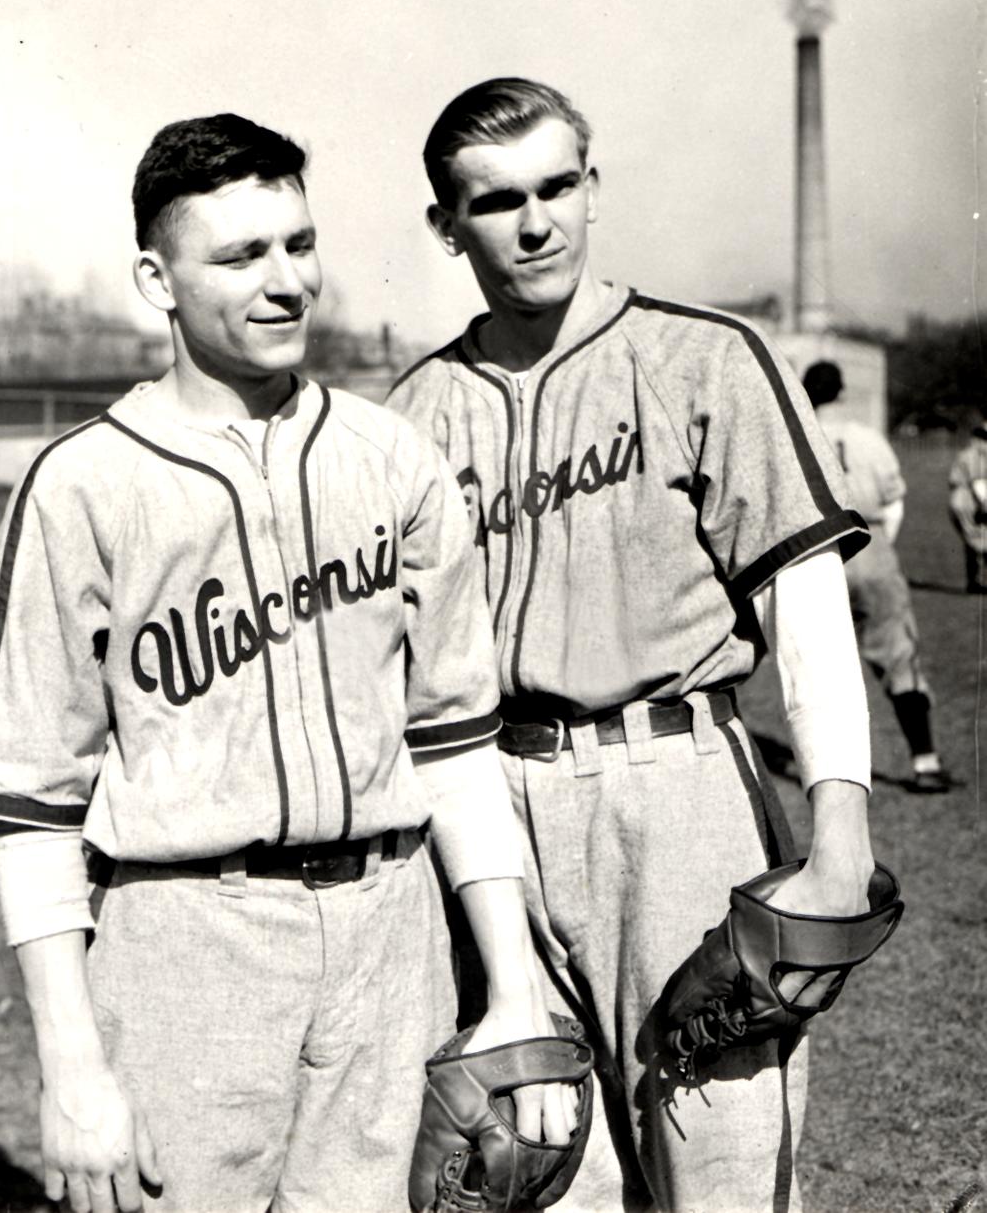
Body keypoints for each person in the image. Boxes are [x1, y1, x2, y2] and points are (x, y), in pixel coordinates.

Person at [0, 113, 572, 1213]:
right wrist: (71, 1063)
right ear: (157, 278)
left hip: (389, 926)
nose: (285, 281)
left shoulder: (393, 457)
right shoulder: (84, 482)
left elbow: (453, 740)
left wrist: (513, 988)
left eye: (298, 243)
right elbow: (30, 797)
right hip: (187, 933)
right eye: (240, 256)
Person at [388, 78, 881, 1212]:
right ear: (445, 225)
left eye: (559, 185)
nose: (536, 221)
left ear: (593, 187)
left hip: (678, 793)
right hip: (489, 804)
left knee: (714, 1162)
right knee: (536, 1173)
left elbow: (801, 603)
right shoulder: (414, 410)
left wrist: (838, 825)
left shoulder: (703, 357)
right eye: (497, 200)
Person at [802, 360, 955, 792]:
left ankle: (828, 778)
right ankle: (925, 763)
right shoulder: (869, 438)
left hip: (813, 557)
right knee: (897, 653)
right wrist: (880, 550)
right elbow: (893, 503)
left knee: (819, 669)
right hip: (868, 544)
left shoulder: (795, 435)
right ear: (843, 393)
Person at [948, 419, 987, 594]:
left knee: (973, 541)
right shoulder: (978, 455)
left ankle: (974, 582)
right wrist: (985, 504)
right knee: (980, 541)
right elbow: (977, 483)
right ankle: (975, 582)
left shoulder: (966, 453)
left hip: (958, 498)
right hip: (969, 500)